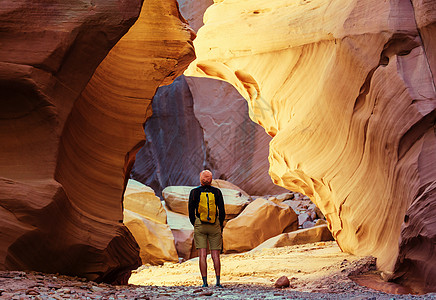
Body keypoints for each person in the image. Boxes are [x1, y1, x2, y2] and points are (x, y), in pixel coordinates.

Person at [188, 170, 226, 288]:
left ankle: (205, 282)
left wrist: (196, 223)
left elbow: (190, 211)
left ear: (200, 179)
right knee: (215, 254)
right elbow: (222, 211)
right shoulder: (217, 192)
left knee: (202, 254)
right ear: (211, 180)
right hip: (214, 224)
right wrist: (219, 224)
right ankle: (218, 282)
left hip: (200, 224)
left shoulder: (194, 192)